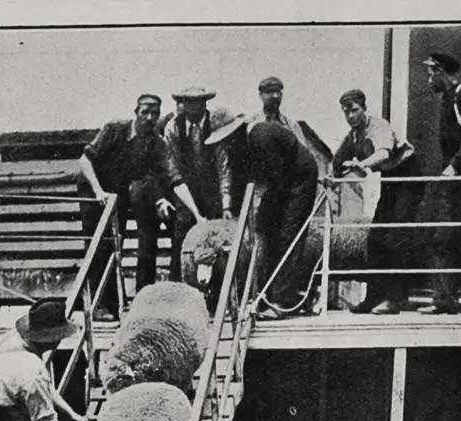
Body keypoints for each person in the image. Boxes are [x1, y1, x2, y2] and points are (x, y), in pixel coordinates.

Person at [77, 94, 172, 320]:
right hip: (94, 189)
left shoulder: (156, 142)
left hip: (118, 194)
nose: (149, 118)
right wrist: (98, 191)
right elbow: (84, 160)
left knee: (139, 238)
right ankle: (100, 306)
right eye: (145, 112)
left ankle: (141, 302)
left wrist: (160, 199)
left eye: (154, 114)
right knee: (101, 246)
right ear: (135, 112)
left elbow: (158, 175)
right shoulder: (114, 129)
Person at [331, 88, 424, 315]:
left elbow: (383, 154)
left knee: (395, 236)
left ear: (364, 109)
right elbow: (338, 159)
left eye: (354, 111)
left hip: (409, 176)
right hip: (391, 179)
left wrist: (362, 165)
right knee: (375, 238)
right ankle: (373, 297)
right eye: (346, 112)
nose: (350, 116)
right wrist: (332, 181)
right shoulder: (354, 135)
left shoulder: (378, 126)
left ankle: (395, 299)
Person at [419, 52, 461, 315]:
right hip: (453, 182)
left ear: (442, 72)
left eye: (432, 73)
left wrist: (456, 164)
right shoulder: (446, 100)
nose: (429, 79)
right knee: (443, 236)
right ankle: (444, 300)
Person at [243, 121, 318, 317]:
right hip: (283, 180)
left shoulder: (260, 139)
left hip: (300, 178)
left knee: (288, 235)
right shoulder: (249, 143)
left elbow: (276, 177)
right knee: (267, 232)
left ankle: (282, 301)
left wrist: (263, 208)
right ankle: (266, 295)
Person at [162, 87, 237, 279]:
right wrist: (195, 213)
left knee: (216, 238)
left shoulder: (215, 124)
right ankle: (179, 284)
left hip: (211, 190)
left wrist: (226, 203)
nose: (195, 108)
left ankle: (219, 289)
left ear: (205, 103)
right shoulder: (173, 128)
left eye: (199, 102)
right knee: (182, 234)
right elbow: (174, 170)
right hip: (184, 191)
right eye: (190, 102)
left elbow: (223, 167)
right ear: (183, 105)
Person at [246, 76, 307, 146]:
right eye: (269, 92)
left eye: (278, 92)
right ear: (261, 96)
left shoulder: (292, 125)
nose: (275, 96)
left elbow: (302, 153)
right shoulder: (252, 122)